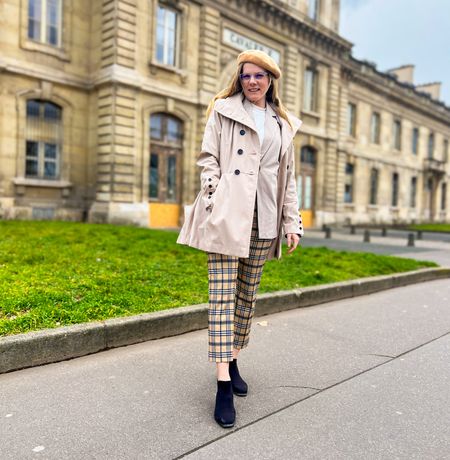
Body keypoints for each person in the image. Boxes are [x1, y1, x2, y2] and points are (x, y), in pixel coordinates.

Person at [177, 49, 304, 428]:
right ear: (240, 78)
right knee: (220, 297)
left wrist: (291, 221)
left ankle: (232, 358)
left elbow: (288, 178)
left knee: (246, 297)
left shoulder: (283, 125)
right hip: (227, 215)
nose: (252, 81)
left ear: (271, 81)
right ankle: (222, 386)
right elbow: (207, 158)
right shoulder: (223, 110)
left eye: (260, 76)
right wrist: (214, 194)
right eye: (247, 75)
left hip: (263, 218)